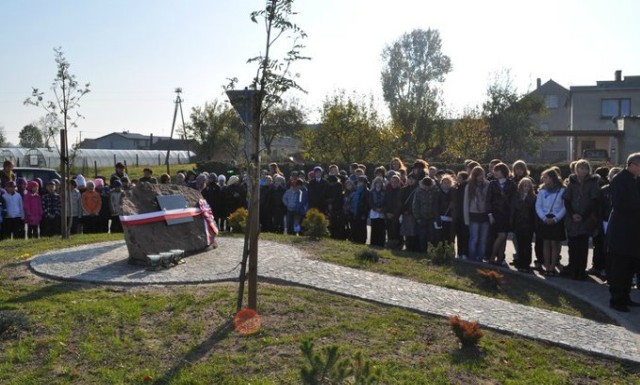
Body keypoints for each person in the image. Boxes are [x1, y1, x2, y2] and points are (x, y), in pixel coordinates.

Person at [607, 152, 640, 312]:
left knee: (629, 267)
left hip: (633, 232)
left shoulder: (636, 180)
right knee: (619, 268)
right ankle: (616, 299)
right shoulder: (619, 180)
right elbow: (619, 204)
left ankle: (626, 296)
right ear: (632, 165)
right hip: (621, 231)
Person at [562, 159, 601, 280]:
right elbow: (567, 200)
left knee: (583, 247)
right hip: (572, 220)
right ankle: (573, 269)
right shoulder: (572, 182)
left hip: (586, 219)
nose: (583, 170)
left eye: (585, 168)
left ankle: (581, 271)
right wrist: (573, 214)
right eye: (581, 168)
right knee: (572, 246)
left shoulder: (593, 183)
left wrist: (583, 216)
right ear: (576, 169)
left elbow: (594, 201)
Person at [535, 168, 566, 276]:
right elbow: (538, 206)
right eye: (543, 177)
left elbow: (564, 207)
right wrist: (544, 218)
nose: (544, 179)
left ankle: (553, 266)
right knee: (546, 243)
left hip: (556, 219)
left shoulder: (562, 190)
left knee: (554, 243)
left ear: (552, 178)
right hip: (545, 219)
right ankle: (547, 266)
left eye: (546, 177)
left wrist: (556, 218)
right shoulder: (542, 190)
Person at [486, 163, 517, 266]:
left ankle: (500, 258)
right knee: (500, 236)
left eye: (497, 170)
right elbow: (488, 200)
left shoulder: (512, 184)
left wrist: (512, 216)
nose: (495, 172)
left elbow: (513, 201)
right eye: (494, 170)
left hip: (506, 214)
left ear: (503, 171)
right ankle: (492, 256)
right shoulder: (492, 184)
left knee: (503, 237)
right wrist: (489, 214)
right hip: (495, 214)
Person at [510, 178, 537, 272]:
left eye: (528, 185)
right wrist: (512, 223)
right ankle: (520, 263)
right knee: (520, 244)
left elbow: (534, 213)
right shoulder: (516, 196)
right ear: (520, 186)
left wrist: (534, 226)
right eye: (524, 185)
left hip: (529, 224)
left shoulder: (534, 197)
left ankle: (527, 264)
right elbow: (513, 210)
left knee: (528, 245)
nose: (526, 187)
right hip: (518, 223)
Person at [464, 166, 490, 262]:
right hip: (473, 214)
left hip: (484, 215)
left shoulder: (488, 185)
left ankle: (480, 258)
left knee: (483, 239)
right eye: (478, 175)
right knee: (474, 238)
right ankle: (472, 258)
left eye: (482, 175)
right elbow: (466, 203)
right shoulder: (469, 186)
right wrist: (466, 219)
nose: (480, 177)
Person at [413, 176, 440, 253]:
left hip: (432, 217)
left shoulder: (435, 190)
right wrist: (417, 217)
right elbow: (415, 205)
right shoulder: (418, 191)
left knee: (432, 236)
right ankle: (423, 251)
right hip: (422, 217)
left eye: (428, 186)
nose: (427, 188)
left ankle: (431, 251)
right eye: (425, 186)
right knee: (422, 236)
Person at [368, 176, 386, 247]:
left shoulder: (384, 191)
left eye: (380, 183)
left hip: (382, 212)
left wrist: (382, 209)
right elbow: (370, 202)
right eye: (377, 183)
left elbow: (386, 201)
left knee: (381, 228)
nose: (378, 184)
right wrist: (375, 208)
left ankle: (381, 243)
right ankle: (373, 242)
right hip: (374, 212)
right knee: (374, 228)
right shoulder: (372, 192)